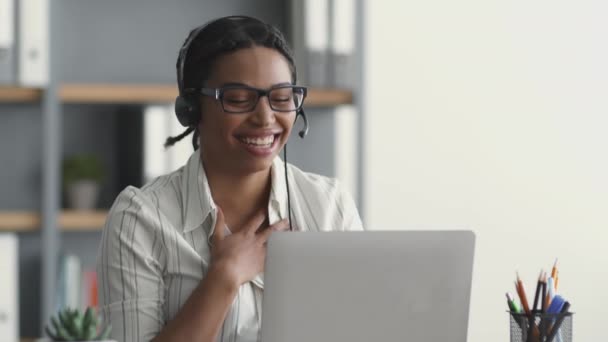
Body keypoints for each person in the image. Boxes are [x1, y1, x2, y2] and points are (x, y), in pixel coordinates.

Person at [97, 15, 363, 342]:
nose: (266, 118)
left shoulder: (329, 206)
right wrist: (225, 276)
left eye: (281, 98)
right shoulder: (139, 219)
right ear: (192, 110)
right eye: (238, 99)